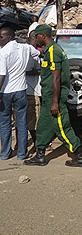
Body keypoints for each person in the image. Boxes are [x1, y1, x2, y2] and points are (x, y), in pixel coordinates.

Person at [24, 24, 82, 167]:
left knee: (62, 127)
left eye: (36, 36)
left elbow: (56, 78)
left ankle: (79, 156)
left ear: (43, 36)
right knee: (43, 126)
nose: (35, 39)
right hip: (48, 97)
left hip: (55, 98)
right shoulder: (49, 51)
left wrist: (54, 102)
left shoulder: (54, 51)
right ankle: (40, 156)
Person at [0, 27, 40, 160]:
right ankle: (22, 153)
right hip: (21, 90)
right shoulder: (25, 48)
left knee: (5, 122)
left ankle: (6, 153)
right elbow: (37, 54)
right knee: (21, 122)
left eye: (1, 37)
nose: (0, 39)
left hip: (5, 91)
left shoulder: (3, 52)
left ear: (9, 37)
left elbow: (2, 75)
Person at [26, 31, 42, 149]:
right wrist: (43, 70)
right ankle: (37, 143)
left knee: (22, 119)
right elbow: (28, 70)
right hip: (32, 90)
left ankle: (20, 144)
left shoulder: (23, 50)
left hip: (23, 89)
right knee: (33, 119)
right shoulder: (32, 53)